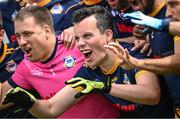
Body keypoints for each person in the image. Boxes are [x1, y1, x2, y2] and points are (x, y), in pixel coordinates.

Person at [2, 6, 173, 118]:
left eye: (87, 36)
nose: (81, 43)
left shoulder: (134, 53)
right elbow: (51, 109)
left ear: (108, 35)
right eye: (77, 38)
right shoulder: (89, 72)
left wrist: (105, 87)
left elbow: (151, 95)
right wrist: (29, 102)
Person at [0, 5, 120, 118]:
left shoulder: (78, 44)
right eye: (18, 36)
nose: (21, 42)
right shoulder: (25, 66)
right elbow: (2, 99)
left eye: (27, 34)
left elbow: (114, 51)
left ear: (47, 31)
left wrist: (78, 31)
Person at [109, 0, 180, 117]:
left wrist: (137, 63)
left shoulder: (172, 18)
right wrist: (146, 38)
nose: (168, 13)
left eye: (173, 4)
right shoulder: (150, 20)